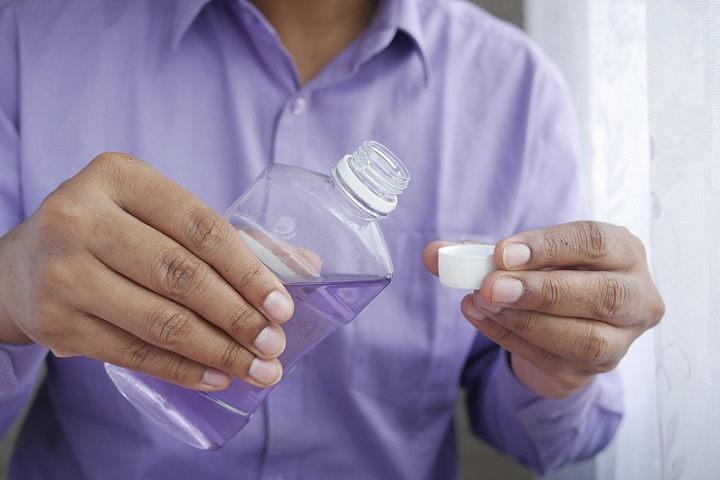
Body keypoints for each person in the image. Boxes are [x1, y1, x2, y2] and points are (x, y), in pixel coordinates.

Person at [0, 0, 664, 478]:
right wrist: (7, 297)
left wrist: (558, 364)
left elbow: (541, 441)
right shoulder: (28, 33)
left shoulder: (516, 90)